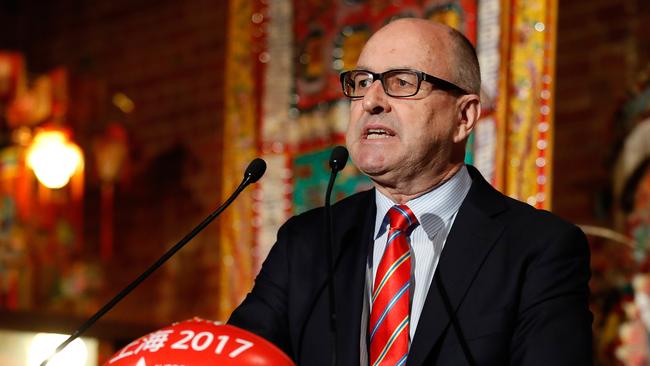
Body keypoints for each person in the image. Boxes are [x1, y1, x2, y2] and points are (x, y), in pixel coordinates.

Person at [229, 18, 592, 365]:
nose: (371, 101)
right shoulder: (307, 244)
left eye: (402, 82)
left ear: (463, 117)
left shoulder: (538, 248)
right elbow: (235, 356)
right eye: (361, 82)